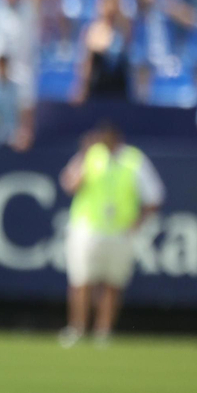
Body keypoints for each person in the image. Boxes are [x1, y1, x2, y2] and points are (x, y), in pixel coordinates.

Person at [58, 124, 164, 346]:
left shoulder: (134, 160)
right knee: (81, 281)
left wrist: (137, 223)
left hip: (120, 232)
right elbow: (70, 185)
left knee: (112, 284)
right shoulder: (89, 156)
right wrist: (85, 156)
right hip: (87, 228)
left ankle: (102, 333)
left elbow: (154, 196)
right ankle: (77, 328)